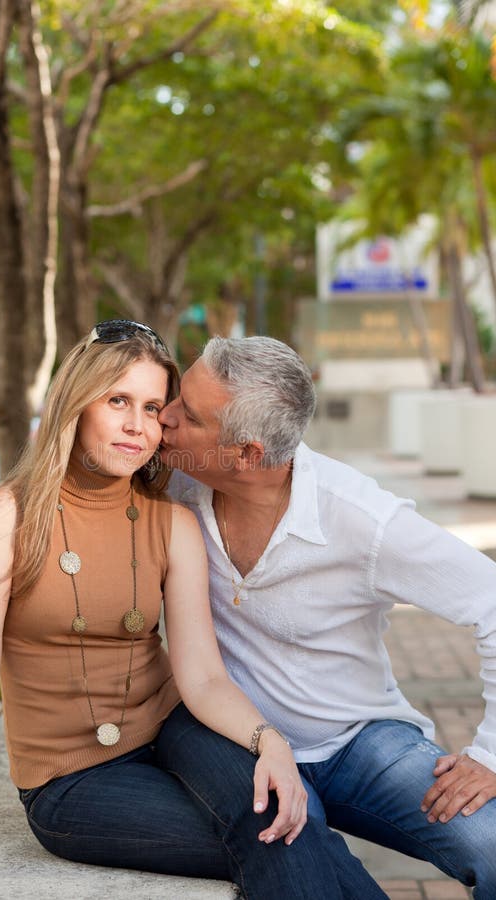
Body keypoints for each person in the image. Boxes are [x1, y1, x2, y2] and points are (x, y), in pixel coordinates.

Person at [0, 321, 386, 900]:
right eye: (118, 401)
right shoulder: (8, 516)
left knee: (286, 810)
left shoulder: (171, 522)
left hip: (177, 728)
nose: (137, 425)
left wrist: (268, 740)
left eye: (154, 407)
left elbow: (201, 677)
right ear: (76, 404)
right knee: (281, 834)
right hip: (71, 783)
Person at [157, 334, 496, 899]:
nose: (163, 419)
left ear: (248, 454)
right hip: (242, 746)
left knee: (491, 845)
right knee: (301, 855)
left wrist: (490, 755)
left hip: (360, 742)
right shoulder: (173, 483)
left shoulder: (363, 520)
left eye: (186, 414)